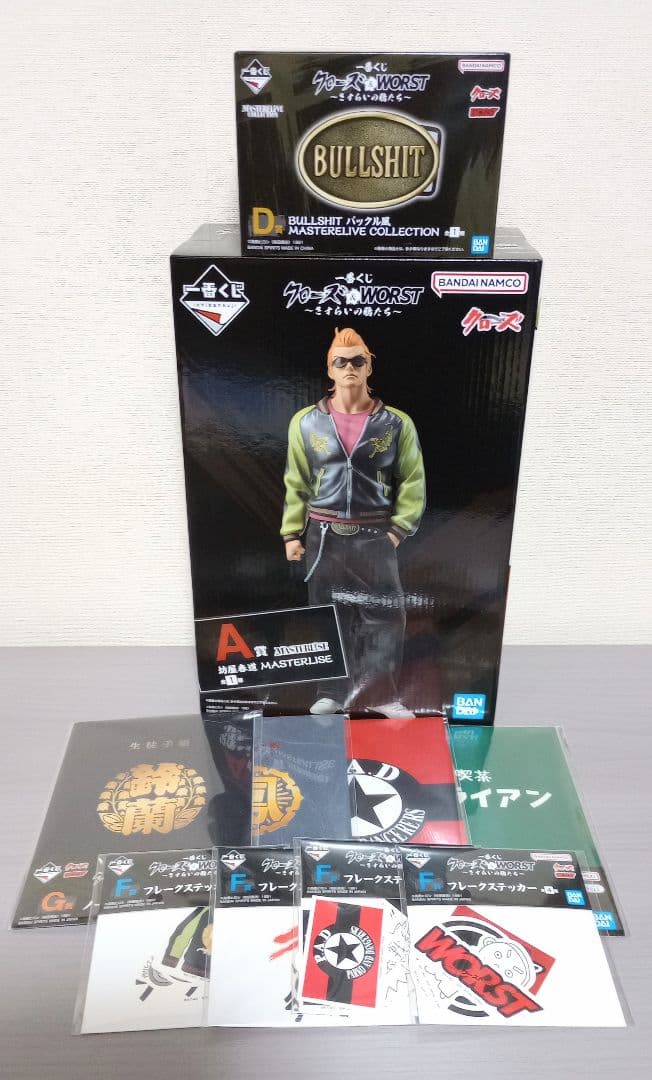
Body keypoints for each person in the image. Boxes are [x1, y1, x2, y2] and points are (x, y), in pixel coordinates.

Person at [281, 327, 425, 716]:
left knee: (384, 614)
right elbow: (296, 480)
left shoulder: (395, 423)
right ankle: (329, 691)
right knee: (328, 615)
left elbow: (413, 480)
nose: (349, 367)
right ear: (329, 368)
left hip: (374, 531)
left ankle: (381, 695)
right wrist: (292, 533)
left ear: (369, 366)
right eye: (340, 361)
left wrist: (397, 530)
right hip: (323, 533)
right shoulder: (306, 422)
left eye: (358, 360)